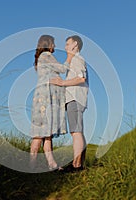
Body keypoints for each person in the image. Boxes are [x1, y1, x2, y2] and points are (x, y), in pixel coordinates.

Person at [29, 35, 73, 170]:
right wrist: (70, 56)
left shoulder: (42, 57)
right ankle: (31, 166)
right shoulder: (46, 55)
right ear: (48, 44)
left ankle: (51, 164)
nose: (54, 46)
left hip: (44, 100)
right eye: (53, 43)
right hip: (45, 101)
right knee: (39, 135)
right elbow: (62, 69)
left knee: (47, 135)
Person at [50, 35, 88, 172]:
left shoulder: (77, 59)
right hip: (75, 99)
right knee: (78, 132)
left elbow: (81, 78)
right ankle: (80, 164)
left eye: (67, 44)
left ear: (75, 44)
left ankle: (76, 166)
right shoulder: (75, 60)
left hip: (75, 99)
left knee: (76, 132)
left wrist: (62, 83)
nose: (65, 47)